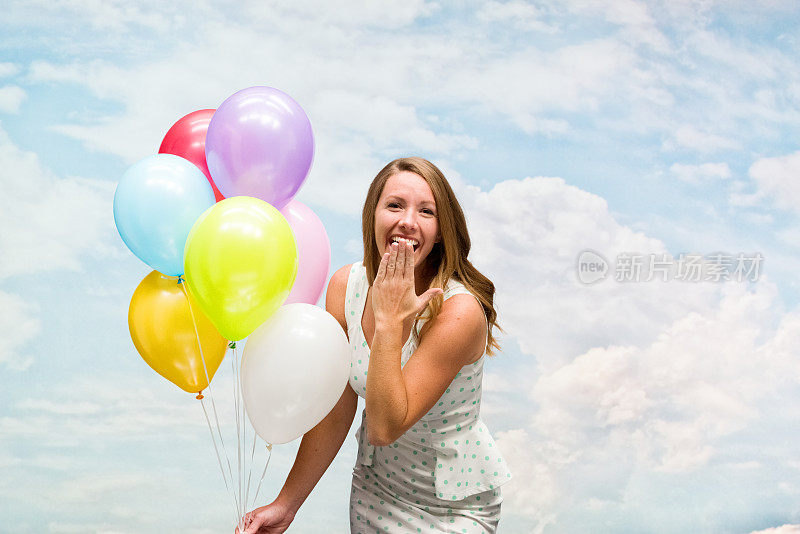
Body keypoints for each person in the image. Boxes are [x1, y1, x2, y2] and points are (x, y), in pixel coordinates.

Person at [239, 157, 511, 533]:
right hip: (377, 493)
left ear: (442, 231)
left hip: (452, 508)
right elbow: (335, 408)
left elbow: (385, 427)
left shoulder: (459, 313)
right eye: (395, 205)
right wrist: (287, 505)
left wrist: (387, 320)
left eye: (426, 211)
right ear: (373, 215)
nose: (408, 222)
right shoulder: (346, 286)